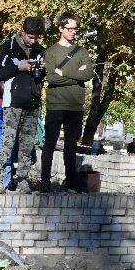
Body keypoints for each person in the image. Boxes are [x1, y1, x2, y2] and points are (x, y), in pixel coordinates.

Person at [0, 16, 47, 193]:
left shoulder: (39, 50)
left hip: (32, 101)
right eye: (30, 36)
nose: (33, 40)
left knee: (27, 144)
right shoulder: (9, 47)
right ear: (22, 32)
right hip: (13, 102)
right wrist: (18, 67)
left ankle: (23, 179)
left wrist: (41, 69)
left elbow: (41, 76)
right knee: (7, 141)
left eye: (36, 37)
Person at [41, 13, 95, 192]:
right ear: (61, 29)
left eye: (75, 29)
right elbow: (51, 78)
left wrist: (63, 72)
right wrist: (75, 74)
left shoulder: (82, 51)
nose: (73, 32)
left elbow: (88, 74)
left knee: (71, 146)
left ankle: (71, 183)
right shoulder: (51, 52)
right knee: (49, 143)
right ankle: (45, 182)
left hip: (75, 106)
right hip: (55, 104)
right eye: (70, 28)